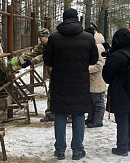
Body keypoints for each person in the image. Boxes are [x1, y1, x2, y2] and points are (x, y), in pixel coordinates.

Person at [43, 8, 98, 160]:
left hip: (60, 82)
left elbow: (47, 60)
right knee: (79, 115)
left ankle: (60, 150)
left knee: (60, 115)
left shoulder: (54, 38)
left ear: (63, 19)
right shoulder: (88, 37)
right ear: (77, 19)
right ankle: (78, 151)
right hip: (80, 82)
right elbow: (94, 60)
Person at [102, 27, 130, 156]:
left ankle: (122, 147)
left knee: (121, 120)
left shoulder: (117, 56)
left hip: (120, 93)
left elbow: (107, 77)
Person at [83, 27, 107, 128]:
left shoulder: (98, 47)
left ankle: (98, 120)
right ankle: (91, 118)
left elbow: (100, 64)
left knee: (98, 102)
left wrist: (85, 69)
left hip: (96, 78)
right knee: (91, 101)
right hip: (91, 78)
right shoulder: (93, 45)